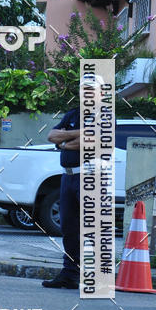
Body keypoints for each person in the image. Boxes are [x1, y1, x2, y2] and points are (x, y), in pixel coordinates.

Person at [42, 74, 103, 290]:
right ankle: (70, 274)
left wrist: (65, 141)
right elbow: (51, 135)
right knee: (68, 228)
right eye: (83, 89)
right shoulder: (72, 114)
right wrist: (76, 135)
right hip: (68, 177)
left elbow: (93, 140)